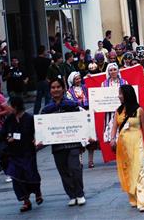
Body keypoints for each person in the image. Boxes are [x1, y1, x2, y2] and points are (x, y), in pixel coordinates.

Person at [41, 78, 86, 206]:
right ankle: (71, 195)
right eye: (53, 88)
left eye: (58, 87)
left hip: (73, 142)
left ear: (63, 89)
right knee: (63, 170)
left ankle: (80, 193)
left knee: (75, 168)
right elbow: (43, 126)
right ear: (50, 91)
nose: (55, 90)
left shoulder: (72, 105)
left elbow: (80, 122)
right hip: (57, 145)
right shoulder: (47, 109)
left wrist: (85, 138)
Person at [110, 85, 144, 212]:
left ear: (127, 95)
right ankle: (133, 198)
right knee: (127, 171)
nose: (119, 96)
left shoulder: (139, 110)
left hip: (137, 143)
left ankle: (142, 201)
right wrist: (112, 139)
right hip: (123, 145)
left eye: (121, 94)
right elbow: (114, 127)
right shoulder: (118, 111)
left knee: (139, 171)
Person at [2, 96, 43, 212]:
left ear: (16, 106)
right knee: (16, 177)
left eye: (10, 105)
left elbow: (38, 131)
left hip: (28, 152)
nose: (8, 107)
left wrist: (37, 139)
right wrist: (7, 138)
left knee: (31, 174)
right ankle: (26, 201)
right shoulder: (9, 119)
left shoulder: (29, 118)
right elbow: (3, 133)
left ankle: (38, 193)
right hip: (14, 153)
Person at [67, 72, 98, 169]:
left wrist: (91, 77)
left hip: (88, 114)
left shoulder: (85, 87)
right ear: (72, 80)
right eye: (76, 79)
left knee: (91, 139)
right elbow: (70, 103)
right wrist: (78, 105)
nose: (78, 80)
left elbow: (95, 90)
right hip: (78, 116)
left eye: (79, 78)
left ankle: (90, 161)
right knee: (80, 140)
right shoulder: (69, 91)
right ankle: (79, 161)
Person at [101, 63, 128, 142]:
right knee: (112, 135)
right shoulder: (104, 84)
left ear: (118, 71)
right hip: (110, 112)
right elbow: (102, 97)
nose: (113, 72)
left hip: (122, 110)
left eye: (115, 70)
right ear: (108, 72)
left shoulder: (124, 82)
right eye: (111, 70)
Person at [33, 46, 52, 114]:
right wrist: (51, 53)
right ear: (43, 51)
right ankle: (46, 111)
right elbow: (52, 62)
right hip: (46, 80)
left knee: (38, 98)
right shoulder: (47, 60)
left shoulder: (35, 60)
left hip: (39, 80)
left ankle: (36, 112)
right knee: (47, 97)